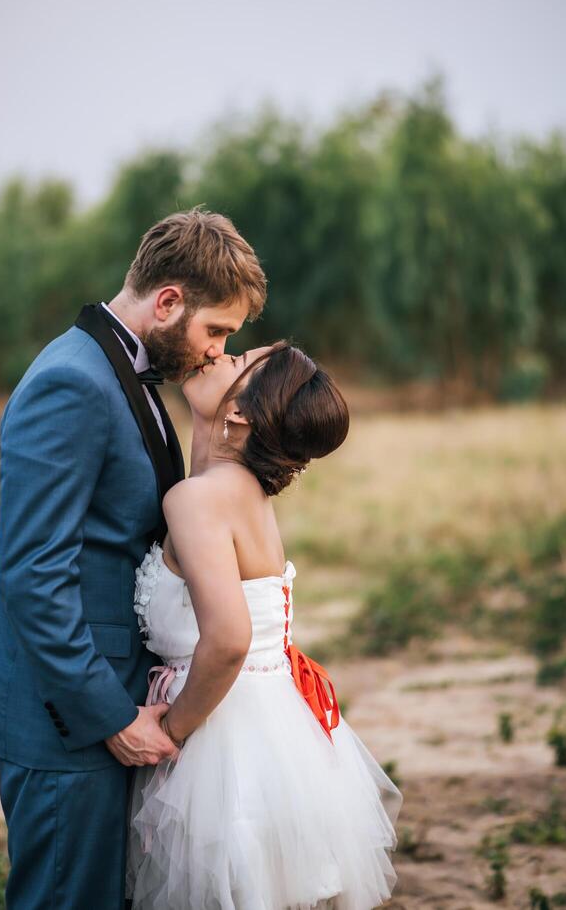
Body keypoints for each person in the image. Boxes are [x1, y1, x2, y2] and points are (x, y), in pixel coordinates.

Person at [0, 208, 267, 909]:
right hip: (65, 721)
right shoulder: (72, 383)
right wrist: (110, 714)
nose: (215, 351)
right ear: (168, 301)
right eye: (215, 329)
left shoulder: (125, 375)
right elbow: (31, 572)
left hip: (101, 705)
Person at [127, 341, 403, 909]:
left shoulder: (198, 500)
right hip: (270, 723)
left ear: (240, 413)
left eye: (238, 360)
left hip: (224, 741)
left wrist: (171, 733)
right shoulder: (242, 494)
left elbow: (229, 640)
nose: (217, 356)